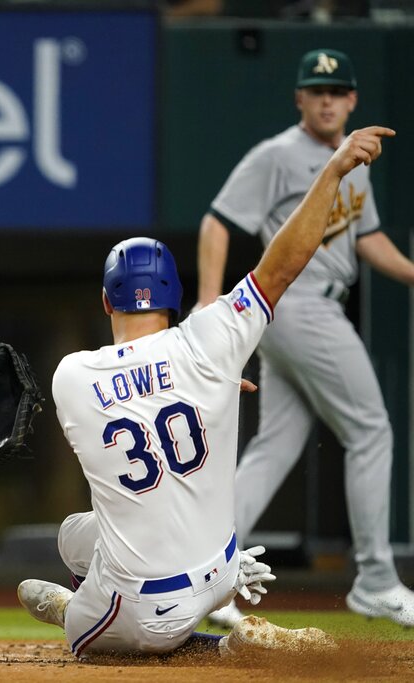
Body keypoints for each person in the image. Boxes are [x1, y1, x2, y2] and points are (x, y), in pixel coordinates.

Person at [17, 125, 393, 658]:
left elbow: (136, 396)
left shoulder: (71, 375)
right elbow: (283, 264)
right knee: (79, 533)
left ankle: (197, 642)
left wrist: (204, 384)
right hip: (223, 569)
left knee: (79, 622)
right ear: (175, 298)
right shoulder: (210, 338)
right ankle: (211, 620)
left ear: (106, 303)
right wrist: (332, 172)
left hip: (144, 608)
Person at [197, 49, 414, 628]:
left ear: (352, 101)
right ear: (300, 99)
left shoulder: (354, 160)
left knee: (275, 447)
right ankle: (375, 578)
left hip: (299, 314)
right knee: (371, 429)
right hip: (300, 307)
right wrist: (210, 302)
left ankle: (205, 572)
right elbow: (218, 221)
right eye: (316, 91)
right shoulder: (276, 155)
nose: (327, 100)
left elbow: (367, 238)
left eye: (337, 91)